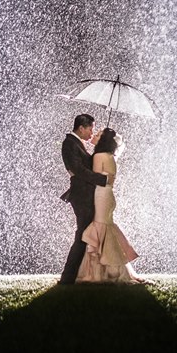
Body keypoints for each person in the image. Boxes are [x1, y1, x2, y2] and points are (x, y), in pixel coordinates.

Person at [75, 128, 146, 284]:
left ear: (103, 141)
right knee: (106, 227)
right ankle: (113, 268)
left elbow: (93, 178)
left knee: (100, 228)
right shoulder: (110, 156)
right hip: (108, 196)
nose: (95, 135)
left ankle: (100, 271)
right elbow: (109, 179)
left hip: (100, 196)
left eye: (99, 135)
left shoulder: (99, 156)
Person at [58, 114, 113, 285]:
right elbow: (78, 169)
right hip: (81, 196)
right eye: (90, 129)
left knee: (85, 235)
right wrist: (102, 180)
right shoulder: (69, 143)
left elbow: (84, 167)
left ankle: (76, 274)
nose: (91, 132)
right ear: (81, 128)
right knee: (82, 235)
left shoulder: (77, 143)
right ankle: (68, 277)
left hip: (85, 195)